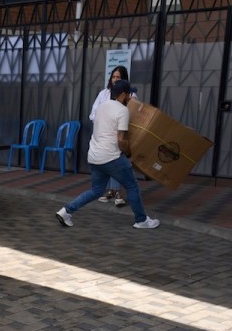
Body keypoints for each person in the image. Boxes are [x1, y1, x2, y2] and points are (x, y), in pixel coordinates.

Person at [55, 80, 159, 229]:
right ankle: (141, 220)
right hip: (111, 157)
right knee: (131, 186)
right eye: (129, 94)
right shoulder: (122, 111)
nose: (130, 97)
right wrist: (128, 153)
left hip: (94, 156)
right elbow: (121, 139)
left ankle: (66, 211)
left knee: (96, 190)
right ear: (123, 95)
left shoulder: (102, 106)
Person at [89, 66, 133, 207]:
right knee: (109, 162)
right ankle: (111, 191)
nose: (115, 80)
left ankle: (117, 192)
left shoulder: (129, 96)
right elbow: (93, 113)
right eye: (113, 77)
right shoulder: (104, 94)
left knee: (116, 160)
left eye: (118, 77)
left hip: (120, 132)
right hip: (104, 134)